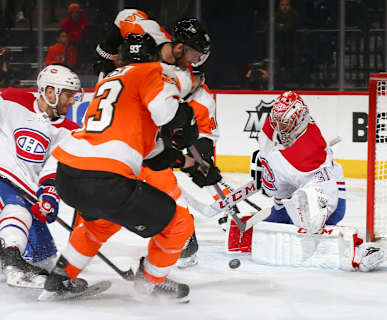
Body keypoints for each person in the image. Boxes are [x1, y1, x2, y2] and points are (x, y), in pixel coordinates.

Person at [39, 32, 221, 301]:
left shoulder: (109, 80)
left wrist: (190, 164)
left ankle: (60, 278)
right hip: (107, 179)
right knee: (179, 224)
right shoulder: (151, 72)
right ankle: (150, 282)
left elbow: (151, 152)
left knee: (97, 225)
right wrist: (186, 118)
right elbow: (165, 113)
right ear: (151, 57)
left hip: (70, 174)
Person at [246, 91, 387, 271]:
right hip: (301, 179)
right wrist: (264, 158)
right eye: (278, 123)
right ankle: (281, 213)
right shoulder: (288, 118)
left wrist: (267, 172)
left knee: (311, 221)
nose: (281, 129)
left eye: (286, 124)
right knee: (281, 201)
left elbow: (322, 196)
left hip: (328, 191)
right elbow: (269, 129)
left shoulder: (308, 150)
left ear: (298, 119)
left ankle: (359, 250)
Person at [0, 64, 82, 288]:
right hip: (3, 180)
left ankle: (9, 256)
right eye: (67, 95)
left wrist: (49, 196)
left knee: (45, 260)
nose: (72, 101)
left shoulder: (70, 130)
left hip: (27, 193)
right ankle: (12, 263)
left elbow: (56, 167)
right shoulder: (10, 100)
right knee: (16, 210)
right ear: (49, 92)